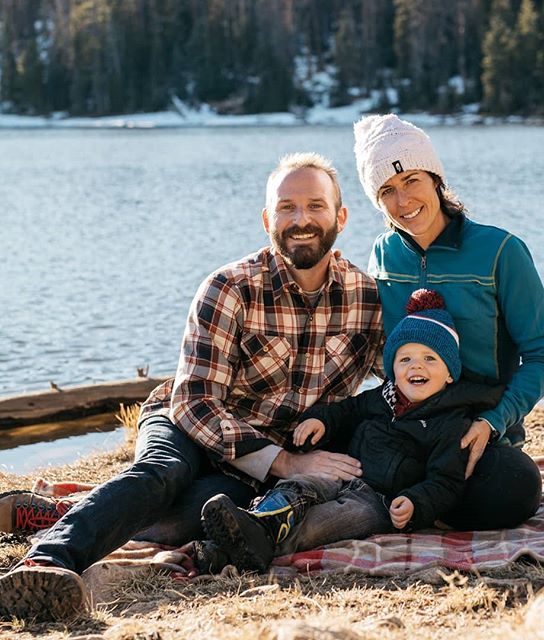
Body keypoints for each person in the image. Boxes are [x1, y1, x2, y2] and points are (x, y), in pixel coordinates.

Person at [0, 152, 384, 621]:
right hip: (187, 420)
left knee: (205, 513)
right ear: (268, 219)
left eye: (315, 206)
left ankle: (59, 510)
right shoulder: (229, 287)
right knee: (164, 476)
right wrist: (287, 462)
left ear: (340, 217)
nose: (301, 219)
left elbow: (407, 378)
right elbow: (196, 403)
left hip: (255, 460)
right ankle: (48, 559)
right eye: (287, 207)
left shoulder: (366, 299)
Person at [353, 114, 544, 530]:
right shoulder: (383, 255)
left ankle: (406, 501)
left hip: (480, 433)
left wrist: (493, 421)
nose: (403, 201)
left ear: (436, 179)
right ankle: (414, 499)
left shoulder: (501, 250)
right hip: (406, 430)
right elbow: (383, 353)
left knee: (516, 486)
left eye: (412, 180)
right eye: (386, 191)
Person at [198, 289, 504, 573]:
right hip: (346, 474)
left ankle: (230, 548)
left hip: (380, 501)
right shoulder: (382, 397)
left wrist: (415, 502)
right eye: (405, 358)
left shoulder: (451, 423)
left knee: (325, 523)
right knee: (300, 485)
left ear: (450, 374)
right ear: (392, 369)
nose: (416, 367)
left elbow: (446, 481)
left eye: (430, 359)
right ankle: (255, 520)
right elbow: (347, 410)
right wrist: (321, 420)